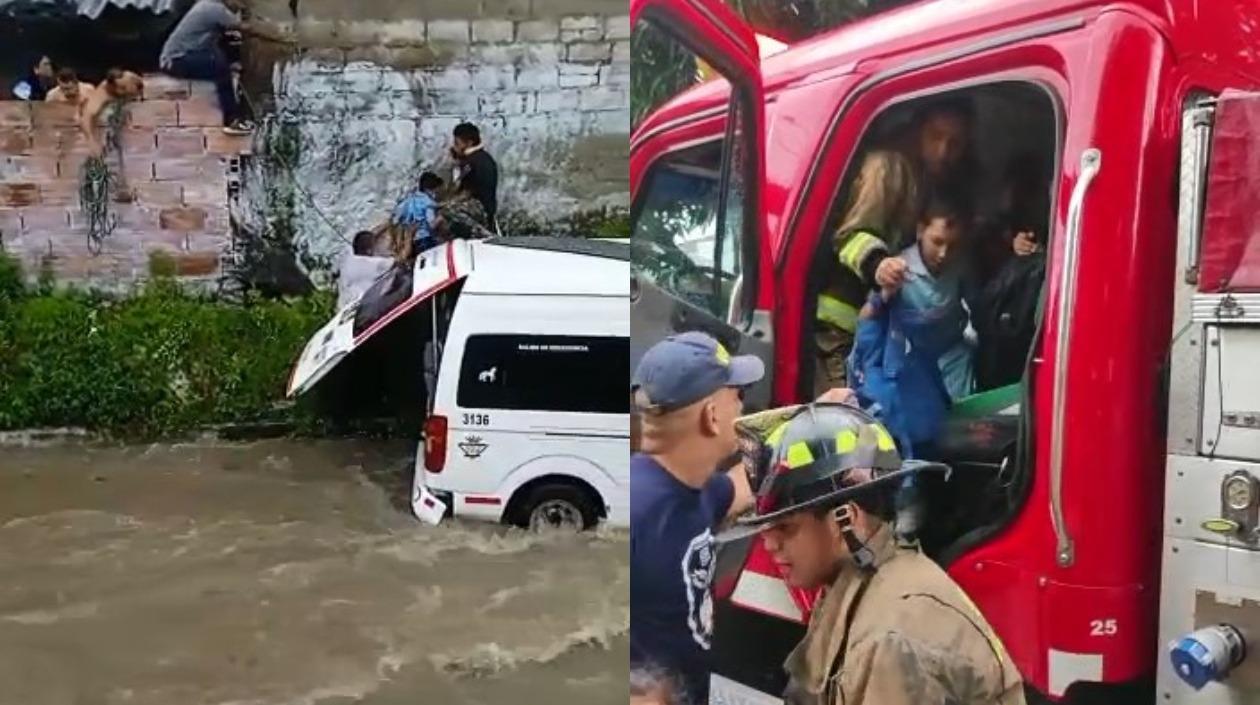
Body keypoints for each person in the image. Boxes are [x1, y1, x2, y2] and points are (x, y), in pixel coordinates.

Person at [729, 403, 1026, 705]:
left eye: (786, 528)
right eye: (765, 530)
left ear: (847, 519)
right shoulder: (861, 577)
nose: (769, 545)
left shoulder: (892, 639)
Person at [630, 331, 762, 705]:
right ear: (712, 415)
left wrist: (813, 417)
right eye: (738, 395)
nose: (743, 407)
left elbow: (741, 487)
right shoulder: (636, 514)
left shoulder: (696, 488)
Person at [814, 150, 917, 397]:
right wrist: (878, 265)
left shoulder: (899, 231)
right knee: (842, 419)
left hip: (866, 339)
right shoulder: (852, 231)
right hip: (835, 338)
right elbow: (851, 242)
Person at [159, 0, 291, 135]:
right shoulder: (215, 10)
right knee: (222, 71)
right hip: (175, 61)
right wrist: (280, 36)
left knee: (226, 46)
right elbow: (248, 28)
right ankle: (231, 121)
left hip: (184, 55)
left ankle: (234, 93)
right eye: (239, 3)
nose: (240, 7)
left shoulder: (208, 5)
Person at [80, 69, 145, 203]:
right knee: (106, 150)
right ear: (111, 85)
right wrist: (91, 141)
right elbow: (86, 118)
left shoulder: (130, 78)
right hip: (106, 118)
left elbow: (141, 84)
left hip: (123, 111)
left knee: (123, 147)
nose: (123, 90)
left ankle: (121, 186)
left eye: (125, 87)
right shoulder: (101, 95)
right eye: (120, 88)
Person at [451, 123, 499, 230]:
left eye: (457, 143)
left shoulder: (471, 162)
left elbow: (465, 192)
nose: (454, 147)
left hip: (480, 208)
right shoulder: (484, 157)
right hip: (488, 207)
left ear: (469, 143)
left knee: (447, 212)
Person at [391, 171, 445, 259]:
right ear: (429, 189)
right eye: (435, 190)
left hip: (410, 242)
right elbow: (431, 225)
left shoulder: (408, 201)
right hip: (426, 240)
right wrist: (440, 218)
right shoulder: (428, 203)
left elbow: (395, 220)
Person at [337, 230, 393, 311]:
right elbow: (395, 262)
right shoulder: (371, 264)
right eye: (377, 246)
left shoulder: (348, 265)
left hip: (347, 308)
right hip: (366, 308)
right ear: (369, 251)